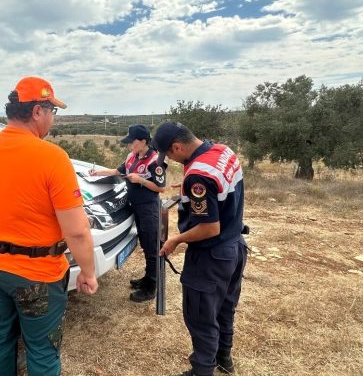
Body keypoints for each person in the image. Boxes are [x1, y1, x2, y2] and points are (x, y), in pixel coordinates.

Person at [0, 76, 98, 376]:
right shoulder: (52, 157)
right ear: (37, 112)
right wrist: (88, 272)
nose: (53, 118)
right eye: (52, 111)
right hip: (38, 275)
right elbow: (76, 230)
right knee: (42, 350)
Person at [154, 122, 247, 376]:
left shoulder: (198, 176)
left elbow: (209, 228)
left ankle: (202, 370)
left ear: (177, 146)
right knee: (225, 309)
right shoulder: (222, 151)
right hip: (235, 248)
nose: (170, 160)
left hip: (211, 257)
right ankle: (224, 360)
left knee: (201, 317)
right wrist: (189, 191)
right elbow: (221, 193)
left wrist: (176, 239)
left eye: (169, 155)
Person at [89, 124, 166, 302]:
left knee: (151, 246)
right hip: (135, 208)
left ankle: (151, 287)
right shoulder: (132, 157)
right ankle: (147, 278)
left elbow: (161, 188)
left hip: (148, 209)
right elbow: (118, 171)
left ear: (143, 141)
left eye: (132, 142)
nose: (129, 145)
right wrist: (96, 173)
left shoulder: (155, 161)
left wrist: (140, 180)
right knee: (145, 245)